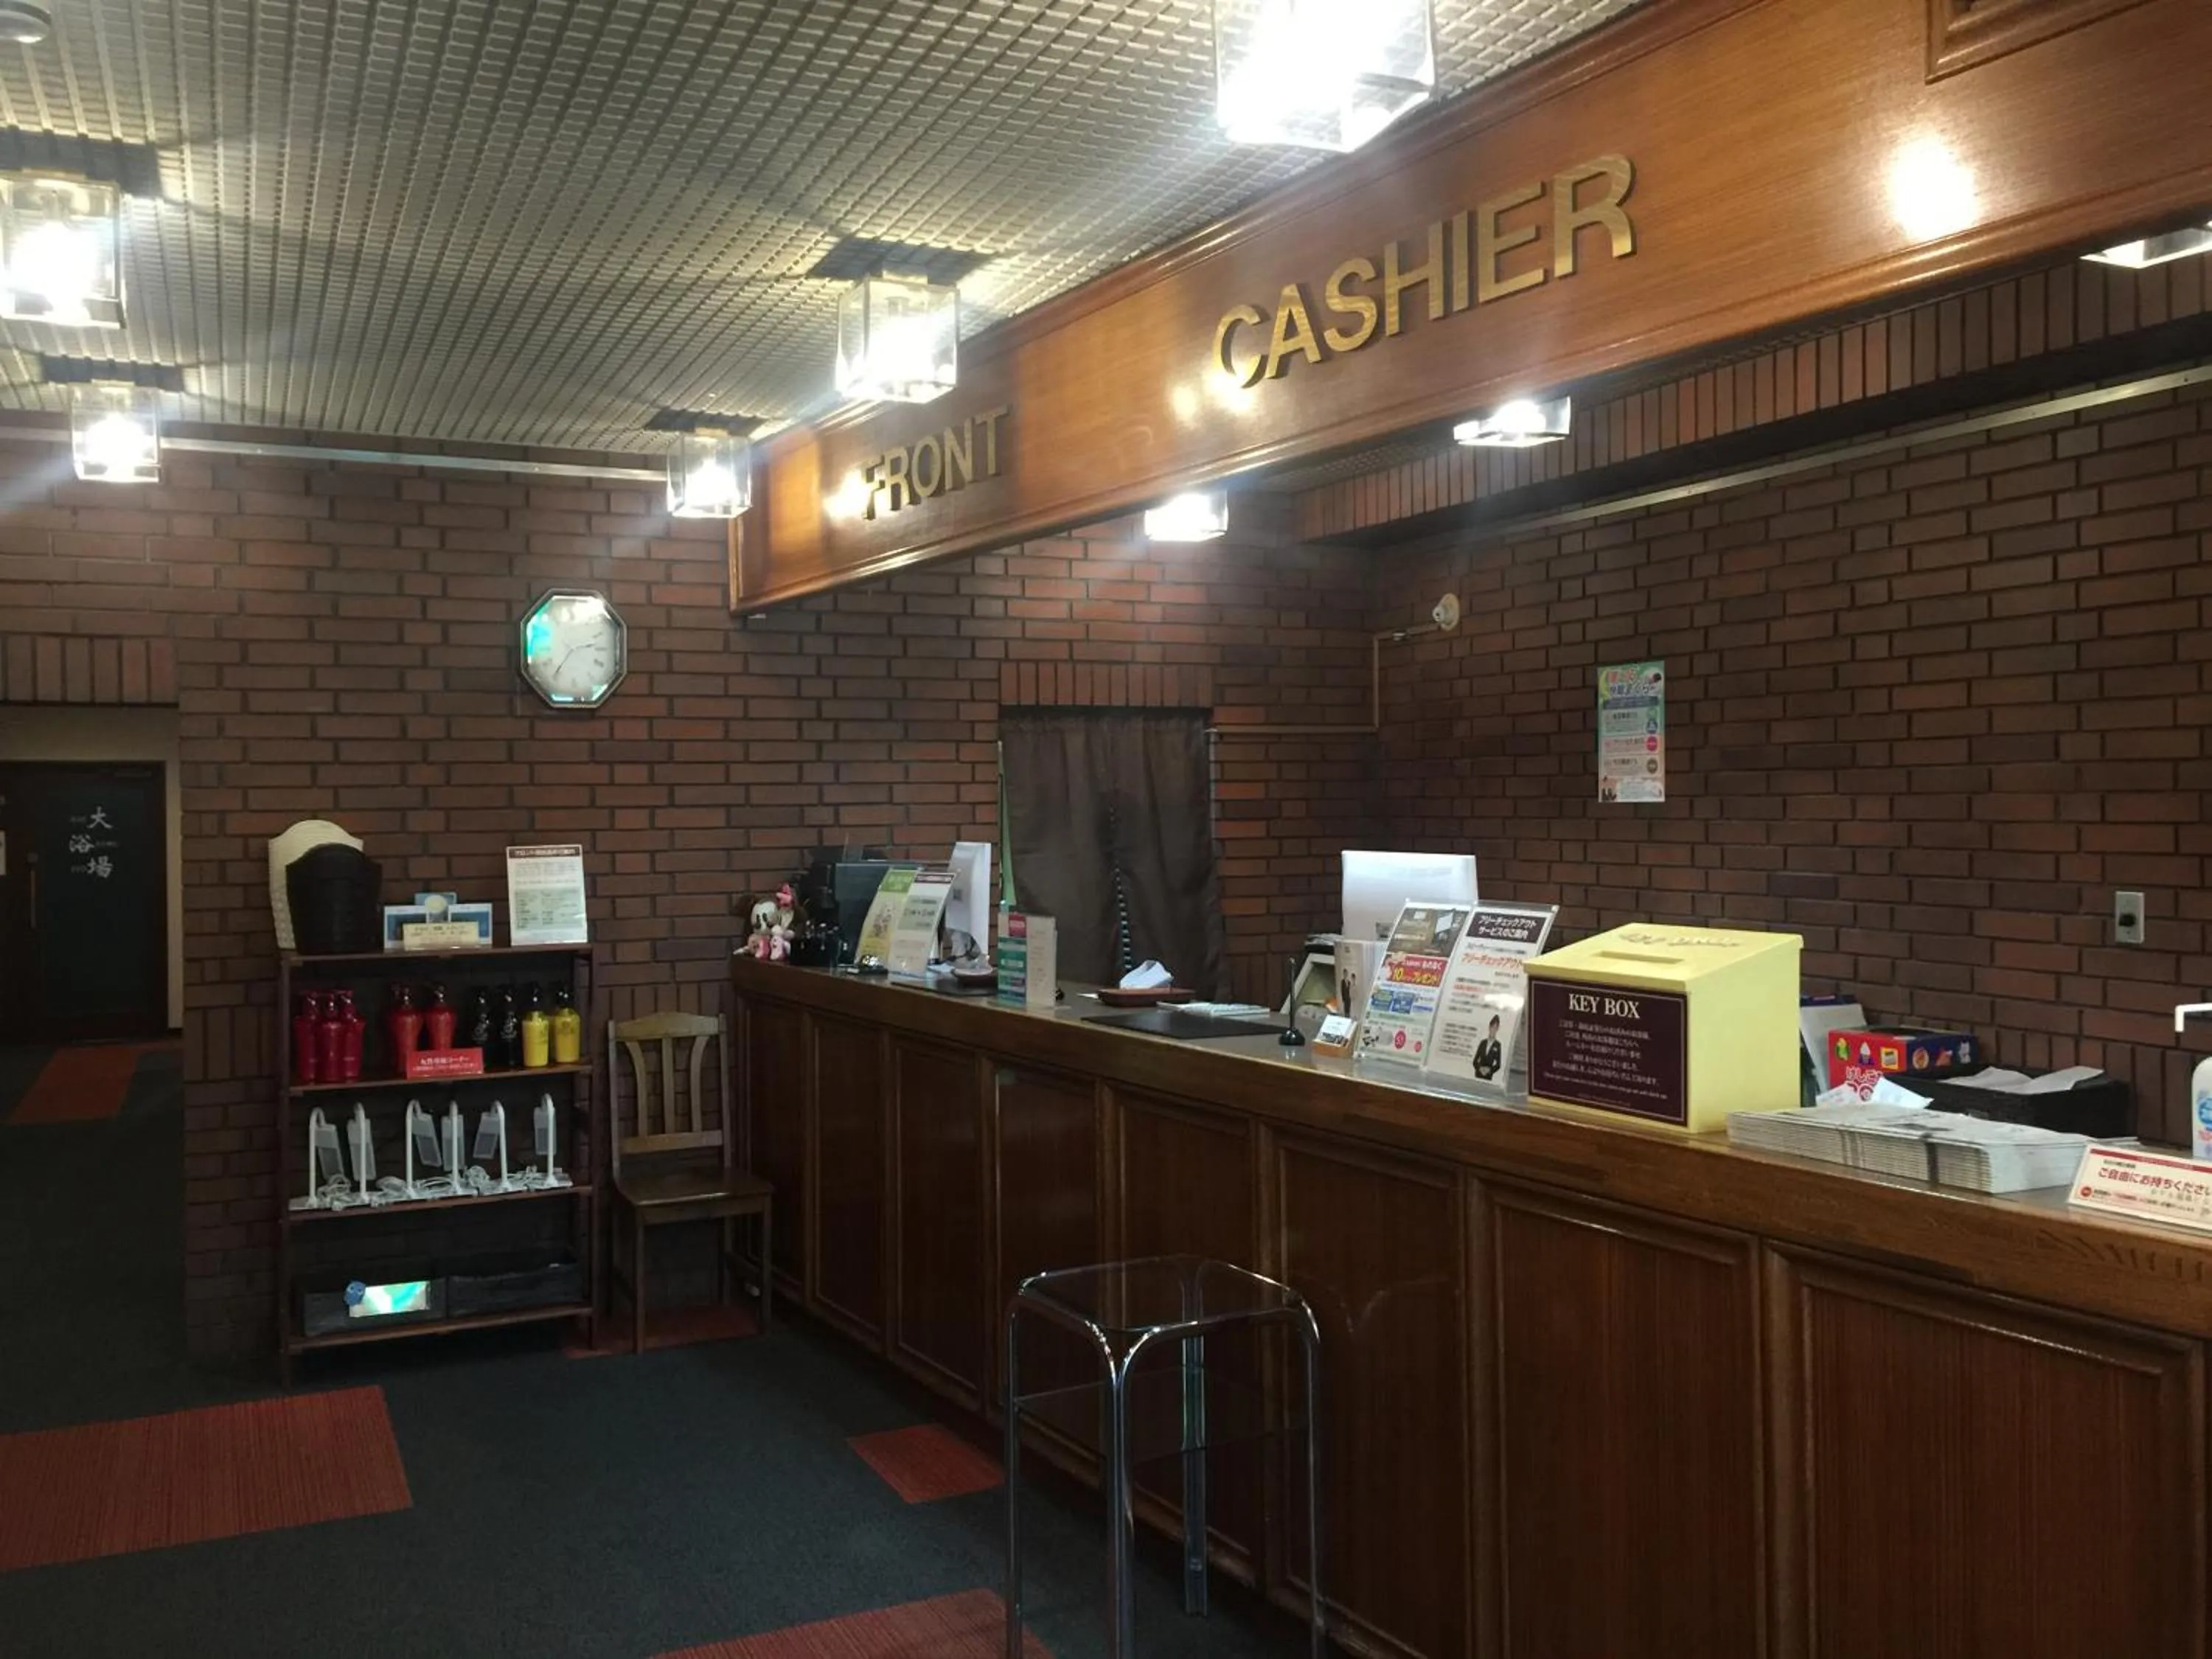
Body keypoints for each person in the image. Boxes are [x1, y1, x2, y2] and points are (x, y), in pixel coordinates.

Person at [1472, 1014, 1504, 1082]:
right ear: (1489, 1027)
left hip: (1488, 1077)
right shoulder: (1483, 1042)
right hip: (1478, 1074)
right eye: (1492, 1027)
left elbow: (1498, 1065)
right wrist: (1480, 1068)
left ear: (1498, 1029)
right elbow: (1475, 1061)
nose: (1493, 1030)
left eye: (1495, 1028)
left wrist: (1490, 1070)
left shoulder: (1498, 1045)